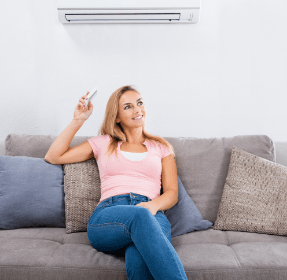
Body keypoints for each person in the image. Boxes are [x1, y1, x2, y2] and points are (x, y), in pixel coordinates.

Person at [45, 85, 188, 280]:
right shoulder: (104, 143)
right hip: (109, 215)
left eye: (139, 103)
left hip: (151, 213)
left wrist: (151, 206)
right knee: (139, 216)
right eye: (128, 106)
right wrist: (78, 120)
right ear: (117, 116)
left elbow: (171, 193)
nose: (138, 109)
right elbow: (54, 156)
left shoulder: (161, 148)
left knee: (139, 260)